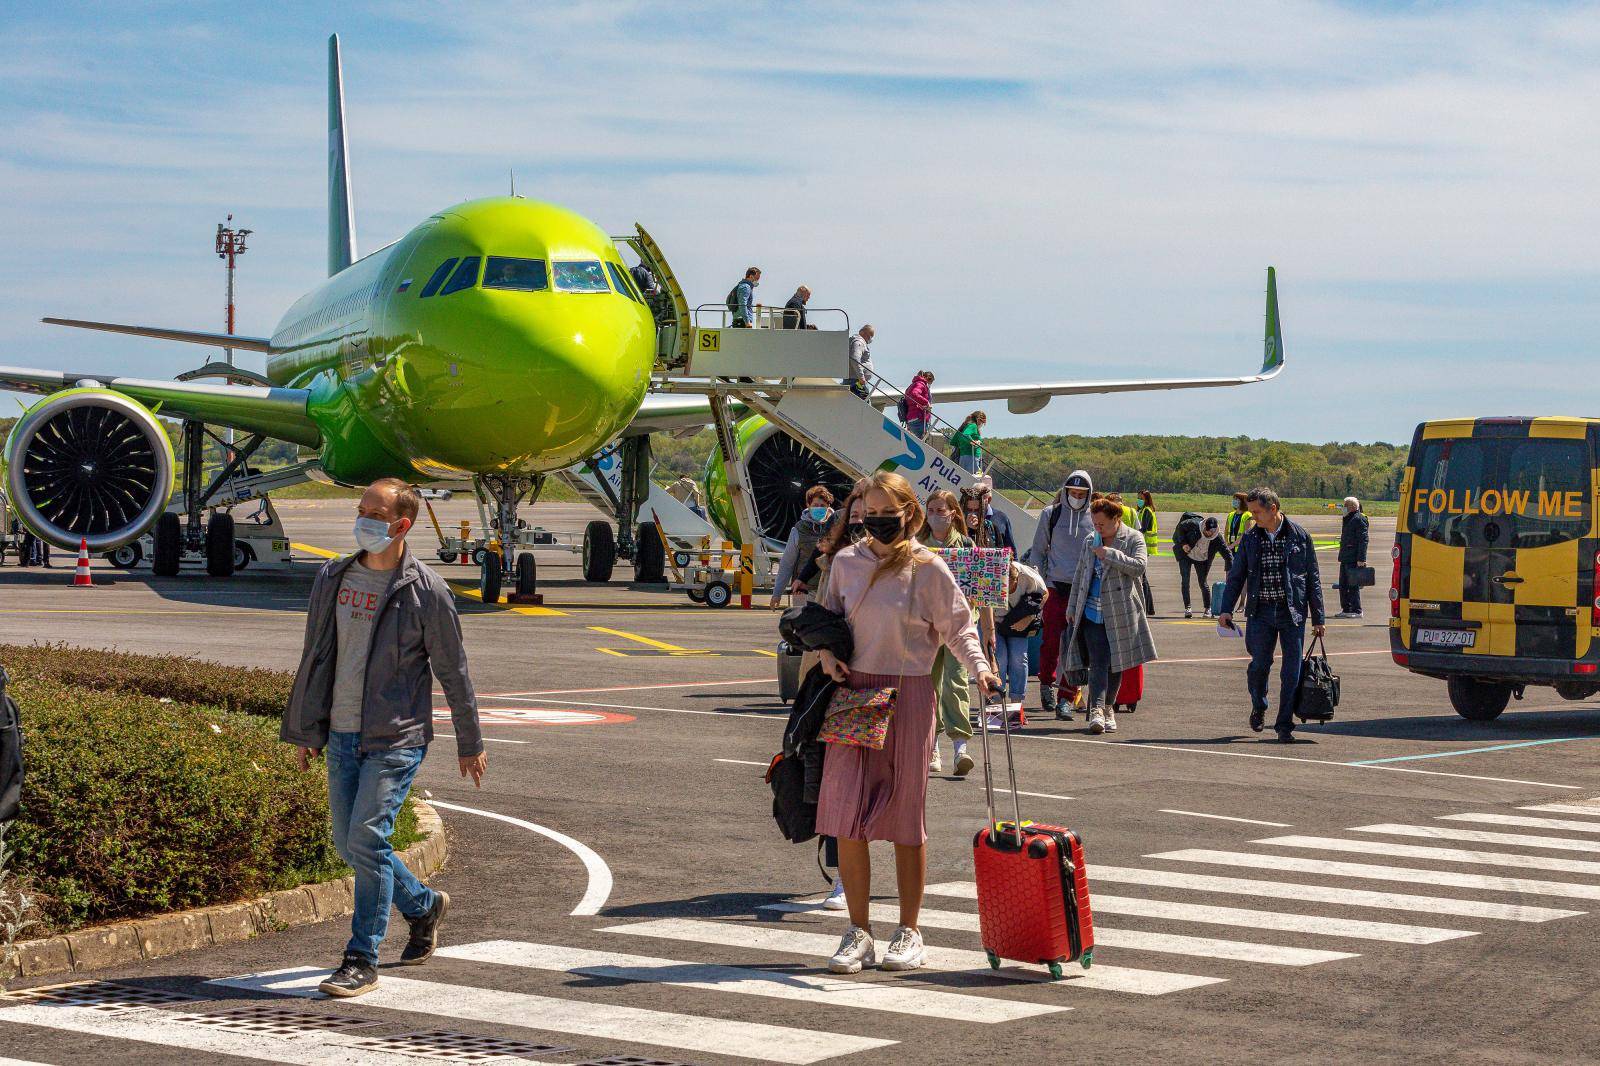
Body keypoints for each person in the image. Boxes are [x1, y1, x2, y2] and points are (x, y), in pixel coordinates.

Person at [282, 477, 486, 997]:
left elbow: (454, 672)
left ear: (401, 524)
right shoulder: (332, 576)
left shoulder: (427, 591)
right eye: (361, 508)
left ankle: (360, 958)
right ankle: (423, 905)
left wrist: (471, 741)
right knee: (350, 843)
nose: (363, 518)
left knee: (365, 838)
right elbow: (316, 657)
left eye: (374, 512)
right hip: (342, 733)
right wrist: (308, 728)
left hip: (396, 738)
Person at [816, 472, 998, 974]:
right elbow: (825, 621)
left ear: (909, 513)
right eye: (868, 513)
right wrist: (828, 656)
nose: (876, 522)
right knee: (848, 814)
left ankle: (909, 930)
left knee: (904, 816)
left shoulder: (929, 567)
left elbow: (959, 627)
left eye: (886, 514)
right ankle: (858, 931)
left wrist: (980, 669)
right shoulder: (846, 564)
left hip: (910, 693)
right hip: (854, 692)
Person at [800, 486, 868, 913]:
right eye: (859, 515)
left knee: (889, 789)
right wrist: (824, 652)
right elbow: (816, 613)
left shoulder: (909, 562)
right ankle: (842, 878)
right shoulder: (835, 560)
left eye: (877, 513)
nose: (865, 522)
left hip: (886, 680)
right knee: (833, 778)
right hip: (837, 678)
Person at [1218, 487, 1325, 743]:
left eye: (1256, 512)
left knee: (1292, 671)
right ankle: (1259, 703)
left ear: (1273, 509)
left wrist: (1319, 618)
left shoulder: (1300, 536)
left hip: (1292, 613)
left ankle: (1284, 724)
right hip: (1261, 612)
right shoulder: (1251, 538)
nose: (1253, 517)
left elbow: (1313, 578)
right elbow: (1236, 576)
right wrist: (1225, 609)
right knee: (1259, 666)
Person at [1059, 497, 1157, 735]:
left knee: (1116, 664)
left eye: (1102, 524)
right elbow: (1081, 574)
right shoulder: (1089, 540)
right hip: (1092, 611)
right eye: (1095, 523)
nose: (1098, 528)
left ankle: (1109, 708)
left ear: (1116, 519)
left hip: (1121, 612)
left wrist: (1110, 554)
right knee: (1098, 662)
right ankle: (1096, 710)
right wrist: (1072, 608)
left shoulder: (1134, 537)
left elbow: (1139, 567)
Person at [1025, 470, 1093, 719]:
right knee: (1051, 643)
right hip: (1054, 586)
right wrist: (1040, 584)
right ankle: (1046, 685)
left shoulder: (1093, 517)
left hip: (1082, 592)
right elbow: (1038, 552)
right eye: (1072, 492)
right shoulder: (1050, 515)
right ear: (1065, 492)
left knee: (1075, 646)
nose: (1076, 497)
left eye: (1081, 494)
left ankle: (1066, 697)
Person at [917, 490, 975, 777]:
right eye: (931, 509)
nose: (936, 515)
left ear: (954, 512)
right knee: (929, 687)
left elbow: (979, 589)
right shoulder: (916, 545)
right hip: (926, 625)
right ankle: (933, 745)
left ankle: (960, 747)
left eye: (942, 510)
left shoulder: (966, 544)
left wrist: (987, 631)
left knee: (956, 682)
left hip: (957, 625)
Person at [772, 486, 835, 609]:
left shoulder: (836, 528)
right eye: (815, 505)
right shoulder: (798, 529)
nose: (819, 508)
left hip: (828, 589)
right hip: (802, 590)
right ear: (808, 505)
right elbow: (787, 563)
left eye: (822, 506)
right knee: (802, 626)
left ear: (828, 507)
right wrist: (777, 594)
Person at [995, 558, 1046, 706]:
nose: (1008, 587)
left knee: (1019, 658)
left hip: (1019, 619)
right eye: (1004, 585)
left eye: (1012, 583)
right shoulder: (992, 577)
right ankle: (996, 700)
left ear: (1017, 576)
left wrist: (1029, 617)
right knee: (1000, 657)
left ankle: (1016, 701)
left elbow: (1044, 594)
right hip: (994, 620)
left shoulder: (1028, 576)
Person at [1173, 515, 1233, 618]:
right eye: (1207, 530)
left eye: (1211, 532)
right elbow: (1180, 528)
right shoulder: (1193, 524)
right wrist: (1184, 543)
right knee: (1185, 580)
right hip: (1187, 555)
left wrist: (1233, 569)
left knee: (1202, 582)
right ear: (1204, 525)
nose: (1209, 533)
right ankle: (1187, 607)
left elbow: (1227, 554)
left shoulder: (1217, 538)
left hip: (1202, 559)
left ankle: (1207, 608)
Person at [1336, 496, 1369, 619]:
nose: (1343, 508)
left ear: (1352, 507)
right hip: (1345, 557)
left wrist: (1361, 559)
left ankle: (1357, 610)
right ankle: (1346, 609)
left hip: (1353, 558)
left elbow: (1363, 540)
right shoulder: (1348, 518)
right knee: (1343, 584)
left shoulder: (1359, 519)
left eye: (1345, 506)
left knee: (1353, 585)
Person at [846, 325, 876, 398]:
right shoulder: (859, 342)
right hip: (856, 382)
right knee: (864, 407)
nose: (870, 339)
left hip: (856, 380)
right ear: (864, 333)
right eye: (870, 335)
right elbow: (855, 359)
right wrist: (861, 378)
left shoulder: (856, 341)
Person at [904, 370, 933, 439]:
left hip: (910, 418)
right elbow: (914, 394)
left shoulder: (912, 385)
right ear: (928, 379)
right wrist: (926, 403)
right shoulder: (920, 384)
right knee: (921, 443)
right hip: (919, 418)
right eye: (931, 382)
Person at [1136, 491, 1159, 558]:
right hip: (1146, 542)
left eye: (1141, 498)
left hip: (1145, 541)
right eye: (1138, 498)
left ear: (1147, 499)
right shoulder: (1145, 510)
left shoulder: (1147, 510)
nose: (1139, 500)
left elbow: (1144, 528)